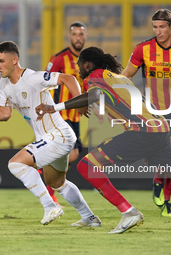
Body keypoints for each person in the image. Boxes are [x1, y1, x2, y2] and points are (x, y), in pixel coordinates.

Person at [35, 46, 171, 234]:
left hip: (142, 131)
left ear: (87, 65)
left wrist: (56, 107)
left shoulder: (94, 76)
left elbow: (94, 94)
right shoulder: (120, 78)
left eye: (80, 65)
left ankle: (128, 212)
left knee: (87, 166)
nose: (78, 69)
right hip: (161, 129)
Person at [0, 41, 101, 227]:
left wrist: (79, 102)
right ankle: (89, 217)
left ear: (14, 60)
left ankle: (50, 206)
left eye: (1, 60)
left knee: (15, 164)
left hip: (58, 135)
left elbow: (69, 79)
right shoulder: (4, 84)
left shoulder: (33, 78)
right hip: (51, 139)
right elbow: (5, 113)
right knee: (56, 182)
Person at [123, 9, 171, 217]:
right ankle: (158, 177)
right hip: (152, 110)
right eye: (155, 27)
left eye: (162, 27)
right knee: (161, 154)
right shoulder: (142, 49)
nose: (158, 31)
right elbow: (127, 75)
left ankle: (166, 198)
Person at [44, 21, 103, 205]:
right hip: (60, 114)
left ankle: (48, 175)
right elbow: (45, 82)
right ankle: (49, 186)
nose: (78, 37)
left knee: (73, 154)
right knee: (70, 152)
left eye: (81, 34)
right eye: (75, 34)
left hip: (76, 115)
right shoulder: (59, 58)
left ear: (85, 37)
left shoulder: (89, 61)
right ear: (70, 36)